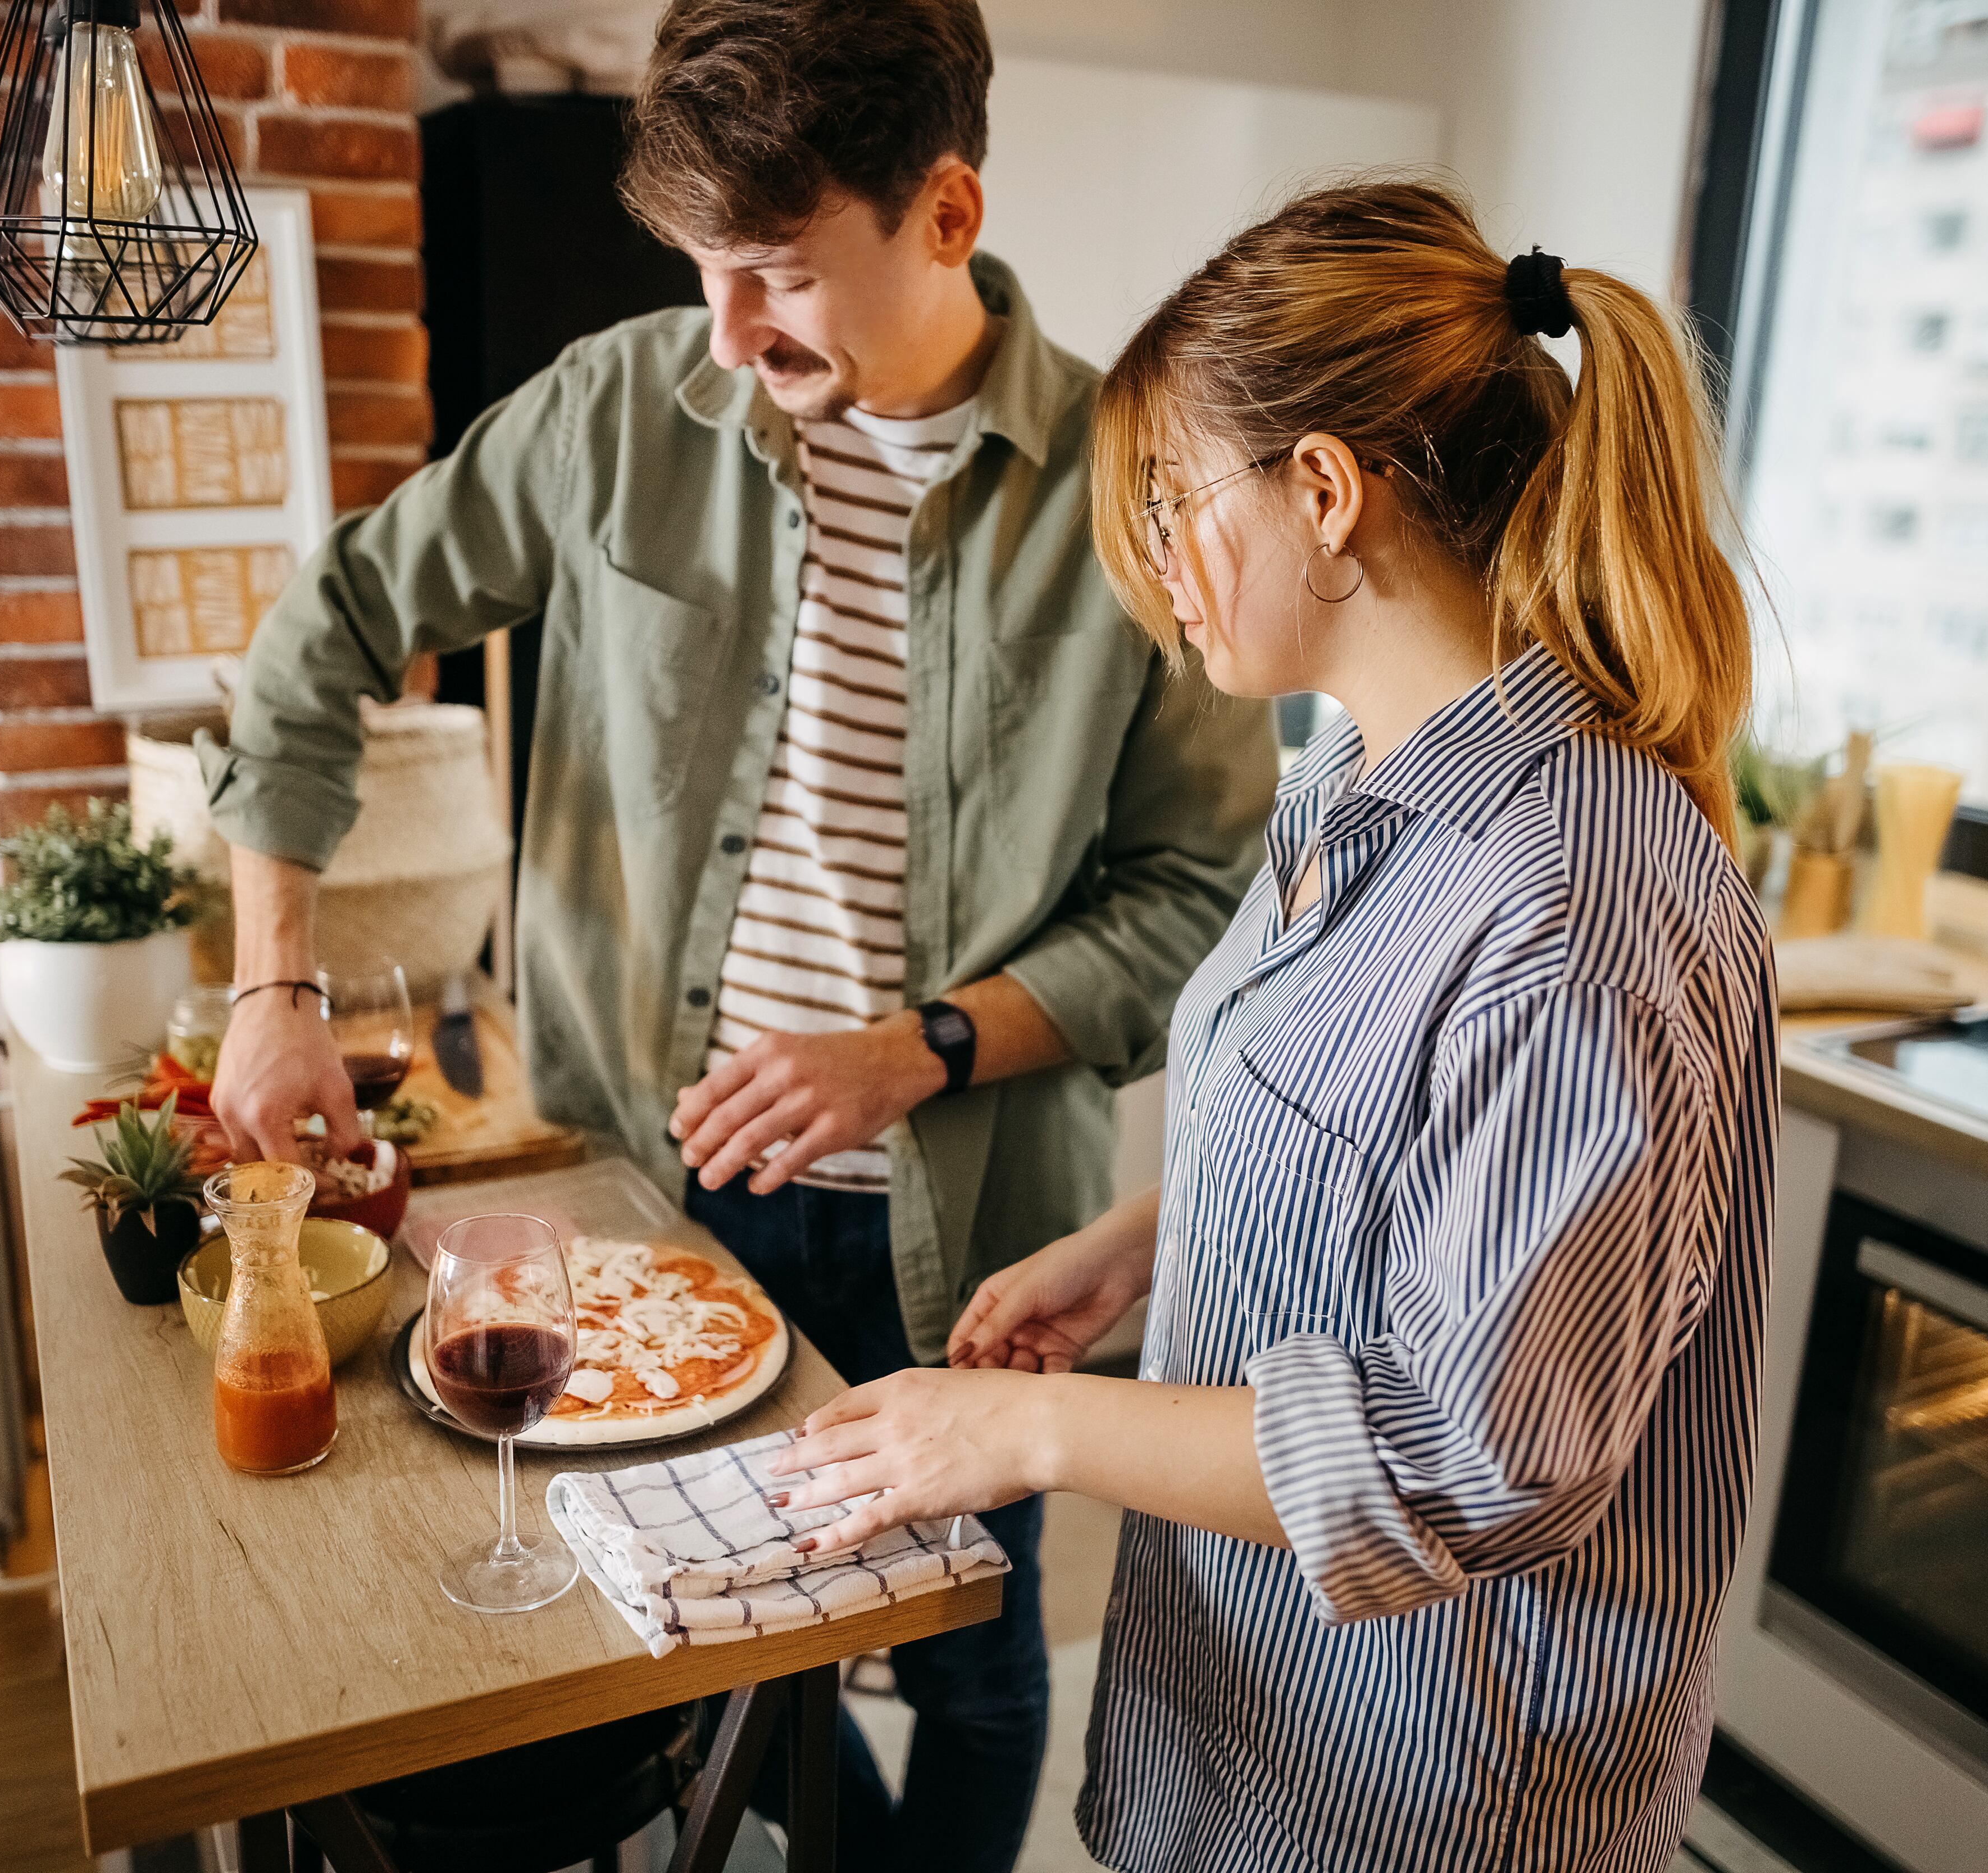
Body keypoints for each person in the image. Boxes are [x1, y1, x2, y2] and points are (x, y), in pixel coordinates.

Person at [201, 2, 1279, 1865]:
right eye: (704, 271)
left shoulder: (1139, 491)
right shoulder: (619, 411)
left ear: (946, 214)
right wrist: (272, 982)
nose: (731, 333)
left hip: (977, 1235)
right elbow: (330, 631)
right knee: (706, 1638)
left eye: (778, 273)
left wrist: (921, 1046)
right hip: (656, 1206)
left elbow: (1201, 898)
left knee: (971, 1651)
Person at [764, 179, 1780, 1873]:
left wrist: (1034, 1424)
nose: (1156, 566)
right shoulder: (1351, 796)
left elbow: (1465, 1455)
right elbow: (1393, 1156)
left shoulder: (1569, 905)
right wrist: (1148, 1247)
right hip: (1257, 1736)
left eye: (1173, 500)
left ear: (1323, 492)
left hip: (1427, 1798)